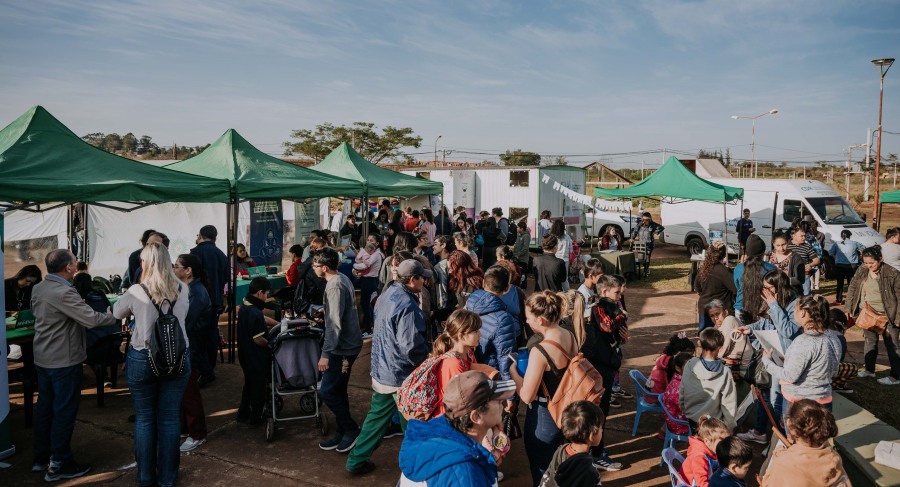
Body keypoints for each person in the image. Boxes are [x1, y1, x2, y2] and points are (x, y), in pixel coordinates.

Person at [31, 249, 117, 480]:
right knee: (64, 411)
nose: (77, 263)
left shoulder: (39, 287)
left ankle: (42, 457)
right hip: (63, 360)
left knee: (46, 409)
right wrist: (115, 315)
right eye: (74, 261)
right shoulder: (63, 292)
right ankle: (59, 463)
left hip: (44, 357)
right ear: (68, 267)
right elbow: (90, 318)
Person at [113, 243, 191, 487]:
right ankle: (167, 479)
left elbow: (117, 313)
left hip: (144, 355)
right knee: (169, 418)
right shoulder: (183, 288)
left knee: (145, 419)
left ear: (145, 263)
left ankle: (146, 478)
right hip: (178, 356)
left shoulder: (137, 290)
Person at [346, 259, 431, 476]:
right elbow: (410, 345)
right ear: (413, 280)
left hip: (382, 368)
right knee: (413, 424)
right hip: (400, 374)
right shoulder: (407, 305)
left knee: (376, 419)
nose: (425, 281)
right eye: (422, 278)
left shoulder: (388, 293)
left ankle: (356, 461)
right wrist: (428, 358)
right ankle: (418, 468)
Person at [508, 291, 579, 485]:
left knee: (542, 472)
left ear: (540, 320)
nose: (527, 322)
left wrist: (513, 371)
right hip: (566, 410)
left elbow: (526, 395)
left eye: (529, 318)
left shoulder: (540, 351)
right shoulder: (569, 335)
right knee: (562, 466)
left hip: (544, 415)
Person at [398, 370, 511, 486]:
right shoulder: (467, 476)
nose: (501, 401)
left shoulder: (438, 432)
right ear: (476, 416)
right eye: (495, 399)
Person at [314, 247, 365, 452]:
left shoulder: (334, 286)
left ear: (324, 268)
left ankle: (350, 428)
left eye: (315, 265)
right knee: (338, 388)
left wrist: (325, 354)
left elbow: (334, 325)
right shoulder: (341, 278)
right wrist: (325, 310)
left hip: (342, 348)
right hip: (348, 344)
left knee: (327, 391)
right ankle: (343, 429)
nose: (313, 268)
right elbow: (338, 312)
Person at [763, 295, 841, 420]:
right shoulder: (833, 338)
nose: (793, 312)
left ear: (803, 313)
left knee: (795, 439)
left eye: (795, 309)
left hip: (799, 405)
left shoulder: (803, 341)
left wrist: (767, 362)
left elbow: (790, 376)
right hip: (824, 400)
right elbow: (834, 370)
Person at [172, 254, 213, 452]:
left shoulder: (196, 292)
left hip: (192, 348)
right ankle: (184, 428)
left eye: (177, 266)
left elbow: (186, 322)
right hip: (186, 346)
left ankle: (197, 433)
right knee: (181, 391)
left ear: (188, 270)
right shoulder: (187, 288)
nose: (174, 268)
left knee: (189, 393)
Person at [762, 399, 850, 486]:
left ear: (792, 428)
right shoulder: (833, 459)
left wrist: (779, 457)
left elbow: (767, 483)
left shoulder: (782, 462)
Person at [846, 245, 900, 385]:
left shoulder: (892, 273)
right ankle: (870, 370)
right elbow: (853, 287)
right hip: (868, 313)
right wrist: (849, 307)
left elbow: (899, 297)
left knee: (892, 345)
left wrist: (898, 318)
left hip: (889, 316)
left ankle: (895, 376)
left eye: (872, 263)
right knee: (870, 342)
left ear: (880, 259)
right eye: (866, 262)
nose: (869, 266)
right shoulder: (862, 270)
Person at [466, 266, 519, 385]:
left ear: (484, 283)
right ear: (507, 287)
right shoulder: (503, 318)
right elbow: (505, 357)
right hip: (490, 374)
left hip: (469, 369)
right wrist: (509, 393)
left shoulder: (469, 303)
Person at [190, 224, 228, 386]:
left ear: (201, 235)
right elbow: (226, 277)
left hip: (200, 300)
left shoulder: (196, 253)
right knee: (212, 333)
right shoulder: (221, 254)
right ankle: (209, 366)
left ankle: (204, 369)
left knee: (195, 335)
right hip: (216, 300)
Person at [235, 276, 275, 425]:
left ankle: (243, 413)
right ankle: (256, 418)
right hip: (256, 357)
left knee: (249, 385)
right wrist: (271, 346)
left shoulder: (245, 306)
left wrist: (279, 323)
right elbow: (259, 339)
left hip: (245, 355)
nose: (267, 296)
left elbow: (264, 319)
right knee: (259, 389)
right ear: (259, 293)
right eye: (266, 294)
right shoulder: (255, 313)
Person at [429, 309, 483, 417]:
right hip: (452, 420)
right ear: (461, 336)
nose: (480, 334)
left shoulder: (469, 353)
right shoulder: (453, 363)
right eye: (475, 331)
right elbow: (461, 401)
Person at [680, 328, 738, 428]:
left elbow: (682, 391)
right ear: (720, 348)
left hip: (693, 419)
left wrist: (684, 410)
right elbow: (729, 403)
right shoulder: (725, 372)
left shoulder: (689, 364)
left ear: (699, 344)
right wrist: (729, 426)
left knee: (696, 443)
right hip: (713, 424)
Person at [540, 401, 605, 487]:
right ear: (591, 435)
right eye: (600, 428)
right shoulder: (587, 470)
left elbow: (547, 478)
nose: (602, 431)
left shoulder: (561, 450)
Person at [733, 235, 775, 324]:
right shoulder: (772, 268)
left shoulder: (738, 268)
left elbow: (737, 287)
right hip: (763, 310)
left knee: (743, 336)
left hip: (741, 308)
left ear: (746, 253)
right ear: (763, 252)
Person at [678, 416, 731, 487]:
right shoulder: (699, 457)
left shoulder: (713, 448)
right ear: (707, 441)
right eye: (722, 442)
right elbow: (702, 483)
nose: (726, 446)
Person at [646, 332, 696, 405]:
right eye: (688, 357)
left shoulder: (666, 358)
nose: (690, 360)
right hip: (656, 398)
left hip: (650, 394)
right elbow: (672, 387)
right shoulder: (672, 365)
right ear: (679, 353)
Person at [695, 241, 736, 331]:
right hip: (719, 311)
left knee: (705, 337)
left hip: (704, 308)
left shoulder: (703, 269)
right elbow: (735, 289)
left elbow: (697, 287)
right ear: (724, 255)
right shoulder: (724, 271)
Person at [706, 300, 746, 373]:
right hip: (729, 360)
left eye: (717, 314)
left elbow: (725, 348)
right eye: (712, 316)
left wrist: (709, 357)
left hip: (740, 364)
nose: (715, 318)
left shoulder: (729, 320)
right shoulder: (717, 326)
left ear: (726, 312)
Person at [354, 239, 384, 337]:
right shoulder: (375, 254)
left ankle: (368, 329)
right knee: (367, 305)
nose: (368, 242)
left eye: (371, 240)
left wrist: (354, 265)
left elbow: (366, 265)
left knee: (365, 305)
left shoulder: (376, 255)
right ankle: (370, 327)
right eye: (368, 240)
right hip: (369, 281)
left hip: (369, 281)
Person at [662, 352, 694, 438]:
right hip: (678, 424)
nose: (692, 369)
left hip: (672, 418)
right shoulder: (680, 387)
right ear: (678, 368)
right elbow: (686, 408)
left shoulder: (677, 377)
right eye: (688, 367)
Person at [829, 230, 865, 305]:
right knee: (851, 283)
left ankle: (839, 300)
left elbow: (830, 252)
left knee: (840, 283)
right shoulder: (854, 243)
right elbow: (864, 248)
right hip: (852, 265)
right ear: (849, 236)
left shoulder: (837, 244)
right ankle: (851, 300)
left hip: (839, 265)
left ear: (841, 236)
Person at [827, 308, 858, 394]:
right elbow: (839, 360)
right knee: (852, 369)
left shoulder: (821, 331)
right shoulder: (840, 338)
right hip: (825, 376)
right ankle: (837, 385)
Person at [767, 229, 806, 296]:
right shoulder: (769, 255)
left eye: (784, 244)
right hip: (773, 295)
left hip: (791, 294)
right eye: (778, 245)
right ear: (773, 244)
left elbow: (800, 279)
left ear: (788, 242)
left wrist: (783, 281)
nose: (781, 248)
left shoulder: (796, 258)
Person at [788, 225, 821, 295]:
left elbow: (817, 260)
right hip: (790, 275)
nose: (804, 238)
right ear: (794, 236)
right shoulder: (787, 246)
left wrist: (810, 265)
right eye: (801, 236)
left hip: (804, 275)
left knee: (806, 295)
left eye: (804, 236)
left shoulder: (807, 246)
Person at [630, 212, 664, 278]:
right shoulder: (640, 224)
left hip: (649, 244)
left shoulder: (653, 224)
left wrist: (655, 231)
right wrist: (632, 238)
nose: (644, 221)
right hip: (641, 244)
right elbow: (635, 231)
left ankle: (646, 270)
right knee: (641, 258)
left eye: (646, 219)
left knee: (647, 257)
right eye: (643, 219)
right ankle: (646, 267)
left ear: (649, 218)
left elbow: (661, 228)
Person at [432, 235, 456, 323]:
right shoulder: (455, 260)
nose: (433, 247)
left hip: (446, 310)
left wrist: (442, 313)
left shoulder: (440, 267)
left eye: (435, 244)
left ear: (443, 245)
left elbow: (441, 291)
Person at [549, 220, 572, 289]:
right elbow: (571, 250)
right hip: (565, 260)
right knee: (565, 280)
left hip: (554, 260)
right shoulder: (567, 237)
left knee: (553, 278)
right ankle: (566, 295)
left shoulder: (552, 238)